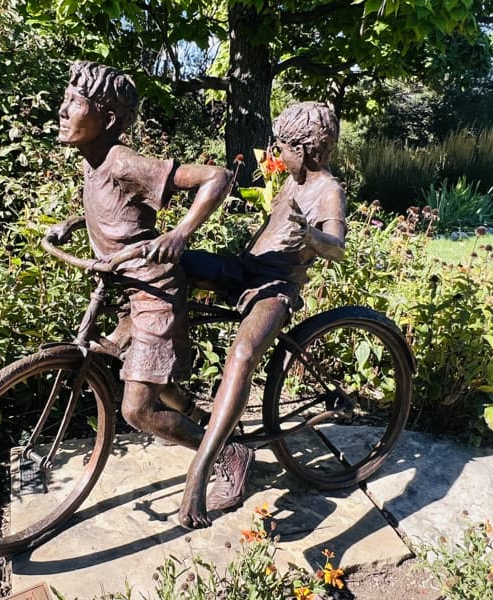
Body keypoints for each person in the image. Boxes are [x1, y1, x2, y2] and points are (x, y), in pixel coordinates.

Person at [178, 101, 347, 529]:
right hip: (245, 270)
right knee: (174, 265)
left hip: (276, 288)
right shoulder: (291, 181)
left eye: (285, 145)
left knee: (242, 355)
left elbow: (338, 247)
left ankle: (203, 467)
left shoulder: (327, 190)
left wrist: (309, 233)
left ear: (308, 150)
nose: (277, 150)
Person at [51, 61, 232, 461]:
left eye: (75, 103)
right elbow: (120, 214)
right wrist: (74, 222)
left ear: (108, 118)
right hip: (123, 283)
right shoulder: (91, 160)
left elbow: (217, 177)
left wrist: (180, 234)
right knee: (133, 364)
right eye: (65, 99)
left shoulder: (122, 163)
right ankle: (196, 414)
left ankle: (225, 455)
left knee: (137, 410)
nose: (62, 110)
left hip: (153, 291)